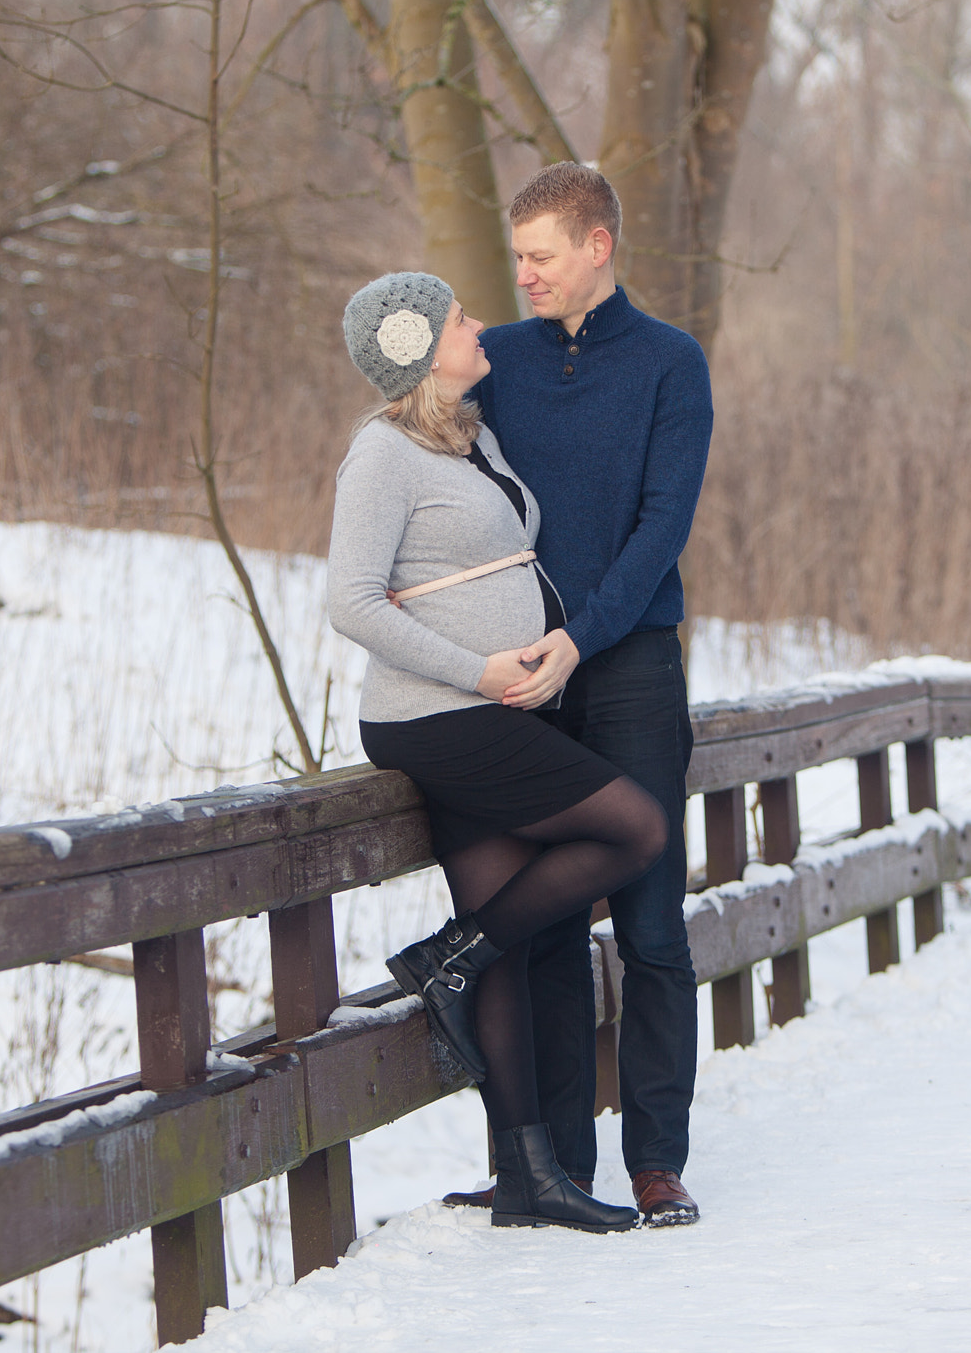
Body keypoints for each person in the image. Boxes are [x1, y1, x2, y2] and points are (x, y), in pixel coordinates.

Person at [327, 269, 664, 1234]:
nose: (482, 327)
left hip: (493, 715)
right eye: (462, 319)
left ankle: (528, 1176)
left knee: (505, 949)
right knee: (633, 826)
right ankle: (451, 958)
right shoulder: (381, 454)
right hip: (438, 716)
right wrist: (477, 672)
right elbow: (350, 601)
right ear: (421, 347)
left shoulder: (470, 435)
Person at [448, 162, 713, 1227]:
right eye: (515, 257)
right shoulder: (494, 363)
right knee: (547, 927)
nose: (523, 276)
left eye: (541, 256)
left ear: (596, 246)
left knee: (651, 922)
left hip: (632, 670)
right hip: (524, 681)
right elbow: (441, 495)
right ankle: (556, 1162)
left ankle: (657, 1160)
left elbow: (662, 527)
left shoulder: (668, 364)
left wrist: (578, 640)